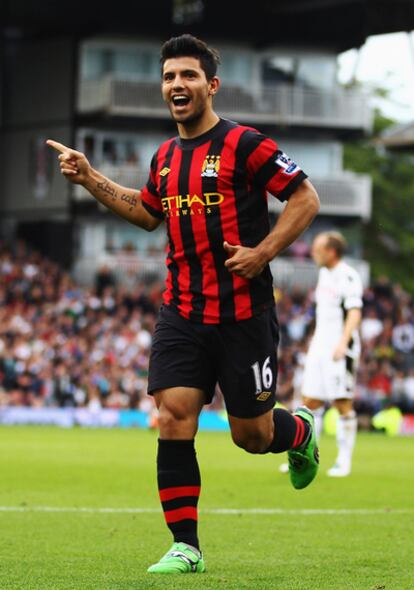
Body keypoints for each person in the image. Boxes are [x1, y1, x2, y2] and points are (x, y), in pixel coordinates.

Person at [47, 34, 320, 575]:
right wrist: (89, 178)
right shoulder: (165, 157)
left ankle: (301, 432)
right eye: (170, 76)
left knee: (252, 435)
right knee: (173, 417)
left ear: (211, 85)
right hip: (182, 312)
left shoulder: (246, 144)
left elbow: (305, 198)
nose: (178, 85)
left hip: (244, 314)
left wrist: (262, 252)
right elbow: (148, 213)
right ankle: (185, 546)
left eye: (189, 76)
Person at [280, 231, 363, 478]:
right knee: (309, 402)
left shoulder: (348, 276)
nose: (312, 252)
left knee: (342, 403)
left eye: (317, 248)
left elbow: (354, 312)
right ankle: (305, 458)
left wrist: (343, 343)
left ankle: (343, 461)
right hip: (319, 347)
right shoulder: (324, 275)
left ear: (331, 251)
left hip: (340, 348)